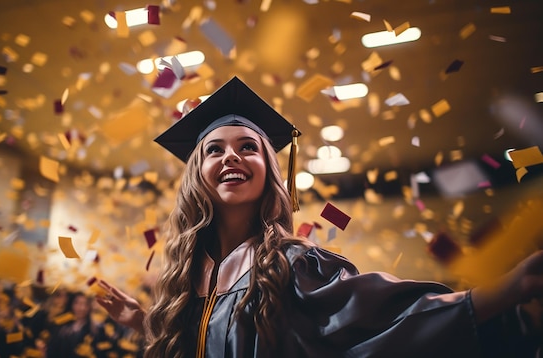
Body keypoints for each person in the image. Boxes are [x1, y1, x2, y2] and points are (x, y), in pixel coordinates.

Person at [96, 76, 543, 357]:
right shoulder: (187, 273)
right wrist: (145, 322)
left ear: (269, 169)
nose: (231, 156)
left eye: (248, 146)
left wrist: (507, 291)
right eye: (215, 149)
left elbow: (392, 322)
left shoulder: (294, 265)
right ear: (198, 173)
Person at [46, 291, 99, 358]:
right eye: (78, 303)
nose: (82, 308)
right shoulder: (61, 325)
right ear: (71, 304)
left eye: (86, 304)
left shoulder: (96, 329)